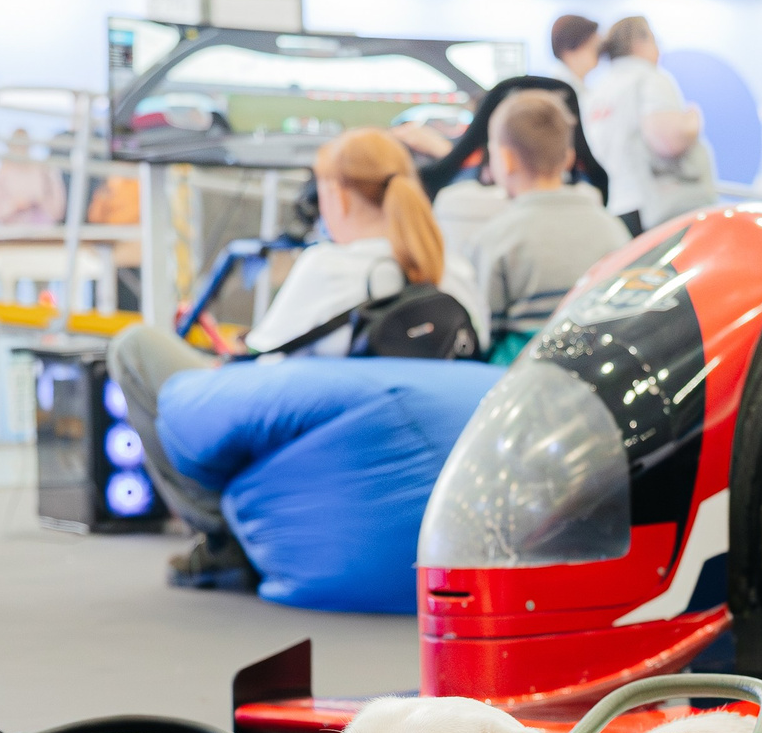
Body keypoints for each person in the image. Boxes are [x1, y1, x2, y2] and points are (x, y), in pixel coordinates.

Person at [106, 127, 485, 589]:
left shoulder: (328, 266)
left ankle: (222, 536)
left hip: (312, 454)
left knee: (134, 350)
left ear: (337, 197)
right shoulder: (455, 269)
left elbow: (263, 372)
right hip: (432, 476)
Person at [464, 90, 629, 364]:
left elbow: (482, 336)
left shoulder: (494, 239)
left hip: (523, 384)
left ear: (506, 160)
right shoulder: (613, 228)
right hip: (598, 376)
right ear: (568, 158)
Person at [583, 15, 712, 235]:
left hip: (620, 206)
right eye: (655, 40)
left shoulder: (599, 89)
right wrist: (692, 121)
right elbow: (667, 140)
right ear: (638, 42)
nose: (659, 50)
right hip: (658, 208)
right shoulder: (650, 79)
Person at [0, 127, 66, 226]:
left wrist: (39, 202)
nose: (21, 148)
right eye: (18, 144)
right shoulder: (3, 171)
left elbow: (57, 209)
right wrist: (14, 205)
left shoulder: (42, 169)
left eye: (24, 144)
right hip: (10, 230)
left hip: (40, 229)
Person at [550, 13, 602, 102]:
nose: (599, 53)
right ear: (569, 49)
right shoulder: (560, 90)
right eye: (591, 47)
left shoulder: (579, 87)